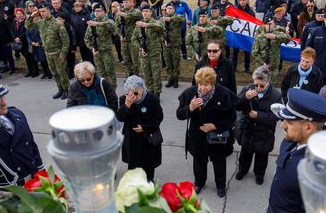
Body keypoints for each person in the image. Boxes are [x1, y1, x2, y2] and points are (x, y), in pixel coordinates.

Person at [261, 88, 326, 213]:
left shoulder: (319, 170)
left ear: (308, 127)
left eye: (289, 121)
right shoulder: (294, 139)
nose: (282, 125)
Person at [176, 67, 237, 197]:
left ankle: (220, 185)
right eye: (200, 84)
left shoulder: (224, 94)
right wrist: (190, 108)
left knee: (219, 160)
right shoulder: (189, 93)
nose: (203, 88)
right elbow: (179, 115)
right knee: (199, 159)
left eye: (207, 85)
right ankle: (199, 182)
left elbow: (232, 118)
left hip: (217, 134)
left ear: (213, 83)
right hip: (197, 135)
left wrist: (215, 126)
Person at [236, 66, 282, 184]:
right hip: (248, 130)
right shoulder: (248, 89)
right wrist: (245, 98)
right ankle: (242, 170)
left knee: (262, 156)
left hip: (265, 133)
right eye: (256, 84)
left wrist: (258, 115)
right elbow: (237, 106)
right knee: (245, 153)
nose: (258, 88)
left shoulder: (275, 95)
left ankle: (259, 174)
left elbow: (276, 116)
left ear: (268, 82)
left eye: (261, 85)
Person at [116, 75, 164, 182]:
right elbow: (120, 117)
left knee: (148, 166)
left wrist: (145, 128)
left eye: (136, 93)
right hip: (132, 139)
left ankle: (149, 183)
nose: (133, 96)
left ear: (142, 88)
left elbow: (159, 117)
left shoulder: (152, 99)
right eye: (130, 93)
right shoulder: (124, 99)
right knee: (133, 166)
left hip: (148, 139)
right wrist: (127, 106)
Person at [25, 3, 70, 99]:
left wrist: (63, 53)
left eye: (44, 11)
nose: (42, 13)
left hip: (58, 53)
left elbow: (65, 41)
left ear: (49, 11)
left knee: (62, 72)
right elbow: (28, 26)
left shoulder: (57, 24)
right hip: (48, 53)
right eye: (40, 12)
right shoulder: (41, 23)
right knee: (54, 73)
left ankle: (66, 89)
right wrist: (32, 16)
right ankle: (60, 89)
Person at [251, 10, 291, 83]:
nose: (269, 26)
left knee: (271, 84)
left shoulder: (277, 33)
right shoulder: (259, 37)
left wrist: (275, 37)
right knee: (260, 83)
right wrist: (262, 63)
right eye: (267, 24)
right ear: (264, 25)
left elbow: (288, 38)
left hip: (274, 64)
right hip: (261, 65)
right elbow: (254, 52)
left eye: (271, 24)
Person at [133, 5, 165, 96]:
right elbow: (134, 39)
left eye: (147, 11)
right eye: (143, 11)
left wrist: (146, 25)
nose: (145, 13)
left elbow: (160, 27)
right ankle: (150, 91)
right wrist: (140, 48)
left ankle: (157, 92)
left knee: (156, 75)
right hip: (144, 55)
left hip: (154, 54)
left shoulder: (155, 22)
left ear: (151, 12)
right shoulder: (138, 25)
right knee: (147, 75)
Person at [84, 3, 118, 88]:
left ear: (103, 12)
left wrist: (98, 24)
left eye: (99, 11)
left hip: (106, 51)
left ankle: (113, 89)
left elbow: (114, 28)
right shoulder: (91, 23)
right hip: (96, 52)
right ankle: (104, 88)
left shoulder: (108, 21)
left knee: (110, 71)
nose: (97, 13)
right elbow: (86, 39)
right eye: (95, 11)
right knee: (101, 72)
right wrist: (92, 48)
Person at [117, 0, 143, 76]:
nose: (125, 3)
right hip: (124, 41)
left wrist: (124, 14)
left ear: (131, 3)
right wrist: (120, 35)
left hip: (133, 40)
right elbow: (116, 26)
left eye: (127, 2)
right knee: (126, 59)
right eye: (124, 2)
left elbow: (136, 16)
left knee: (135, 59)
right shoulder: (120, 13)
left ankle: (136, 75)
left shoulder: (136, 11)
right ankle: (130, 74)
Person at [162, 2, 184, 88]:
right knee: (168, 63)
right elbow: (159, 32)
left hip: (175, 44)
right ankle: (170, 78)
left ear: (174, 9)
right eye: (168, 8)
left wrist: (170, 19)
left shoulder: (177, 17)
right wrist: (164, 40)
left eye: (171, 8)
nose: (169, 10)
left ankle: (176, 79)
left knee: (176, 63)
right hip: (166, 45)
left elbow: (181, 19)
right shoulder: (162, 19)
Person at [11, 8, 37, 77]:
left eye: (20, 14)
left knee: (30, 57)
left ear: (23, 14)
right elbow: (12, 30)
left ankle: (35, 71)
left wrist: (20, 38)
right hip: (18, 42)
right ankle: (30, 71)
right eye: (17, 14)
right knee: (26, 57)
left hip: (25, 41)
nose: (18, 15)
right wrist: (15, 38)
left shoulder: (26, 21)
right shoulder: (14, 21)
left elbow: (26, 31)